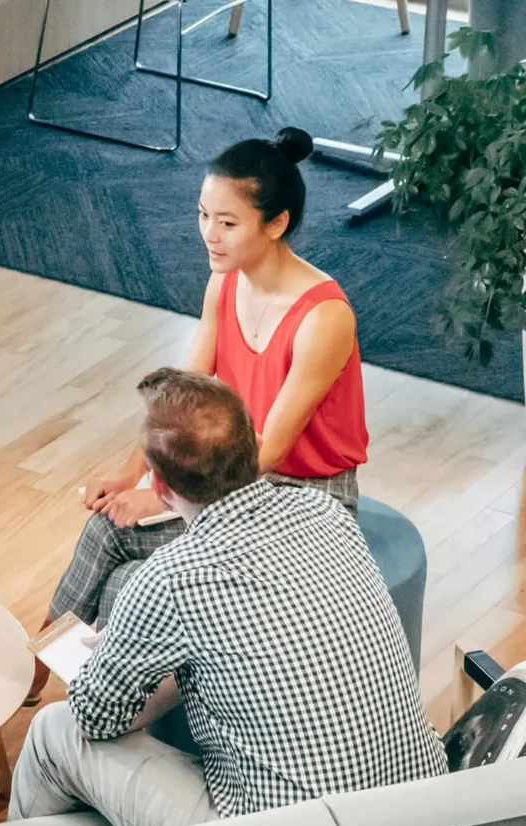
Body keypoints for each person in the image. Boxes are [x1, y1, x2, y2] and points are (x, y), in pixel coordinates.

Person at [10, 369, 447, 826]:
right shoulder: (329, 515)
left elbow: (96, 719)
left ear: (158, 487)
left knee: (53, 733)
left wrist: (123, 659)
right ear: (253, 447)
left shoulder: (171, 578)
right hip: (418, 821)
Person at [27, 126, 369, 706]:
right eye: (203, 215)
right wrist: (131, 474)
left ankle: (108, 710)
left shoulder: (324, 317)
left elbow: (270, 453)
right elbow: (181, 402)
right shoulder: (224, 280)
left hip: (303, 495)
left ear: (277, 223)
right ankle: (37, 670)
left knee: (134, 584)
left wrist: (162, 497)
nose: (210, 234)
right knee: (106, 526)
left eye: (228, 223)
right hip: (226, 471)